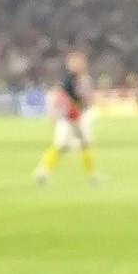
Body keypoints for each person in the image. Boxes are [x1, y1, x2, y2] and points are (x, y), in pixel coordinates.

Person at [35, 48, 99, 184]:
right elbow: (59, 96)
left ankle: (91, 174)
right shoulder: (67, 81)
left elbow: (87, 98)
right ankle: (43, 170)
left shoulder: (85, 79)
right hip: (68, 118)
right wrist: (53, 113)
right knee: (61, 145)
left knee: (85, 144)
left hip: (80, 117)